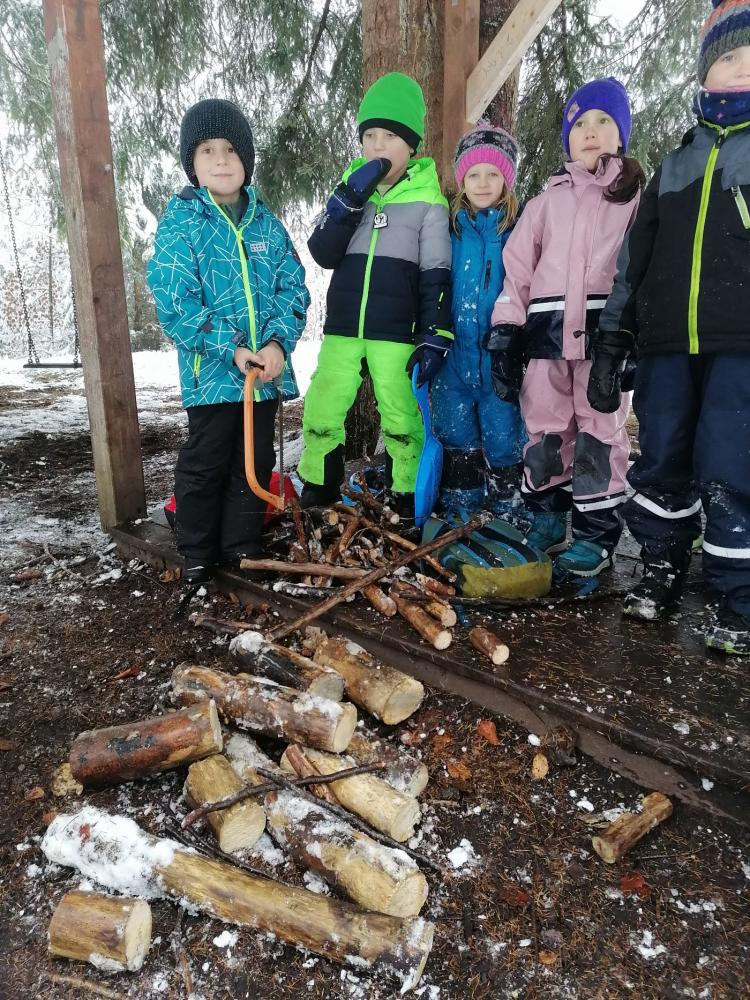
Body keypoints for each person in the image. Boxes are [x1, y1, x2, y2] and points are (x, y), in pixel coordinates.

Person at [589, 0, 750, 654]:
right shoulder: (675, 165)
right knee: (661, 458)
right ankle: (660, 564)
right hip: (665, 349)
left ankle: (739, 595)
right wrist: (612, 342)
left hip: (741, 346)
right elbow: (634, 261)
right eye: (731, 57)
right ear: (705, 71)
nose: (743, 69)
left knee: (731, 463)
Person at [486, 78, 644, 579]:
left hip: (605, 341)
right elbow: (517, 273)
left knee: (600, 432)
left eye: (603, 121)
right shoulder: (544, 203)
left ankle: (595, 536)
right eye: (579, 124)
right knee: (546, 428)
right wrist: (506, 332)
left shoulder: (635, 200)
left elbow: (644, 271)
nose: (590, 132)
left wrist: (635, 341)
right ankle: (547, 519)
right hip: (546, 340)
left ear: (621, 134)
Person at [147, 98, 309, 583]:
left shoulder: (266, 224)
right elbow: (175, 302)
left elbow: (292, 288)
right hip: (213, 376)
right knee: (207, 461)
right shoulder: (182, 224)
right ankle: (198, 550)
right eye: (207, 151)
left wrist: (277, 344)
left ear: (246, 160)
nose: (221, 161)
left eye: (231, 150)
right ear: (192, 163)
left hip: (262, 375)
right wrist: (230, 347)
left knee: (253, 461)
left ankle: (241, 546)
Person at [297, 72, 453, 517]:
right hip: (344, 325)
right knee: (323, 404)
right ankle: (320, 483)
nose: (377, 145)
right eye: (369, 136)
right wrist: (348, 203)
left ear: (411, 145)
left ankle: (406, 492)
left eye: (389, 136)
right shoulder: (350, 191)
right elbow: (322, 252)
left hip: (396, 331)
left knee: (401, 415)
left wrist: (435, 333)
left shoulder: (429, 202)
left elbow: (437, 274)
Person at [431, 122, 526, 517]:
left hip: (498, 360)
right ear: (462, 181)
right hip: (453, 358)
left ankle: (508, 507)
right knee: (456, 435)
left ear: (507, 180)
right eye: (473, 174)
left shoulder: (518, 231)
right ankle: (461, 508)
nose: (483, 183)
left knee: (504, 436)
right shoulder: (448, 230)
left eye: (493, 174)